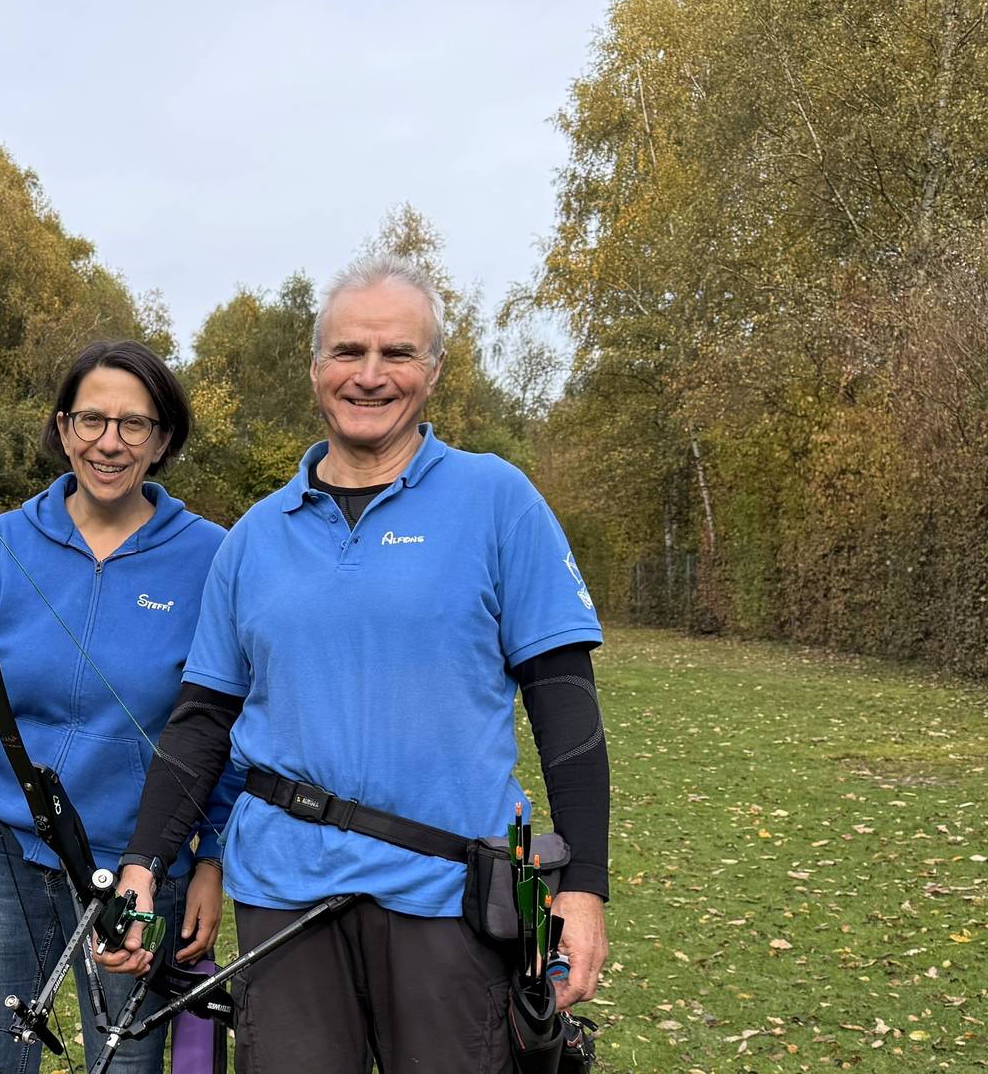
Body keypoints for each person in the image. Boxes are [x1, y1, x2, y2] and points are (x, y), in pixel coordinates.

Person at [99, 255, 613, 1071]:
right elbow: (202, 722)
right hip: (283, 892)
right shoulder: (255, 538)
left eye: (397, 354)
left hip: (450, 899)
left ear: (434, 371)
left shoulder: (498, 500)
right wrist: (141, 866)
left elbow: (567, 712)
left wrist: (583, 886)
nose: (370, 375)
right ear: (315, 369)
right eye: (348, 353)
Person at [0, 339, 241, 1074]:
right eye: (91, 420)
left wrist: (211, 861)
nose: (110, 443)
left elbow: (225, 724)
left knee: (124, 1066)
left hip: (140, 875)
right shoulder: (3, 545)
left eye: (134, 424)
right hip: (10, 856)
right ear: (63, 427)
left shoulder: (212, 559)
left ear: (163, 439)